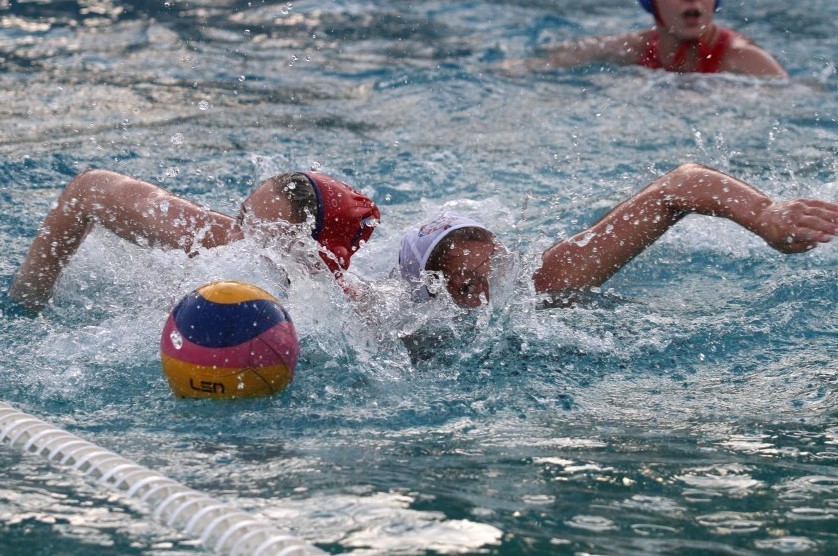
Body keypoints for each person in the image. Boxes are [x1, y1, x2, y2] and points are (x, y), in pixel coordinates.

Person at [399, 163, 836, 308]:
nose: (491, 290)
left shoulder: (545, 281)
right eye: (467, 287)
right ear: (433, 299)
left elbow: (679, 186)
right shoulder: (414, 342)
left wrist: (765, 214)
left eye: (496, 266)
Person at [9, 169, 380, 313]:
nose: (242, 240)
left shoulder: (348, 314)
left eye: (263, 238)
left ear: (311, 254)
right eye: (243, 219)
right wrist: (28, 302)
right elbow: (89, 190)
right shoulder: (217, 239)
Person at [504, 0, 787, 78]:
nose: (692, 2)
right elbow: (555, 58)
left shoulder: (745, 59)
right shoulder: (634, 47)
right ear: (652, 5)